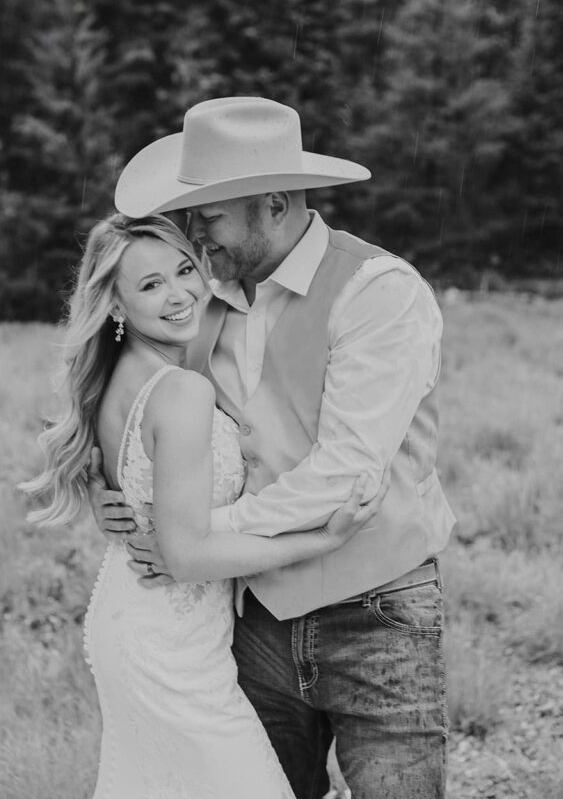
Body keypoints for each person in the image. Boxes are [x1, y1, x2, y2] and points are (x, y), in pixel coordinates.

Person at [88, 96, 457, 799]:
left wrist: (188, 535)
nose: (194, 234)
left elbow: (344, 475)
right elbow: (142, 419)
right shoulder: (200, 300)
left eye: (210, 214)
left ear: (277, 204)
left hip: (374, 614)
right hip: (249, 615)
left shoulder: (376, 292)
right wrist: (113, 500)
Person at [19, 212, 385, 799]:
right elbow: (186, 557)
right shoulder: (181, 389)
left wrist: (99, 491)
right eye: (150, 285)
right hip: (170, 645)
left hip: (138, 623)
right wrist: (327, 539)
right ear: (114, 305)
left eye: (184, 270)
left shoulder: (123, 376)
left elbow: (118, 466)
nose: (180, 293)